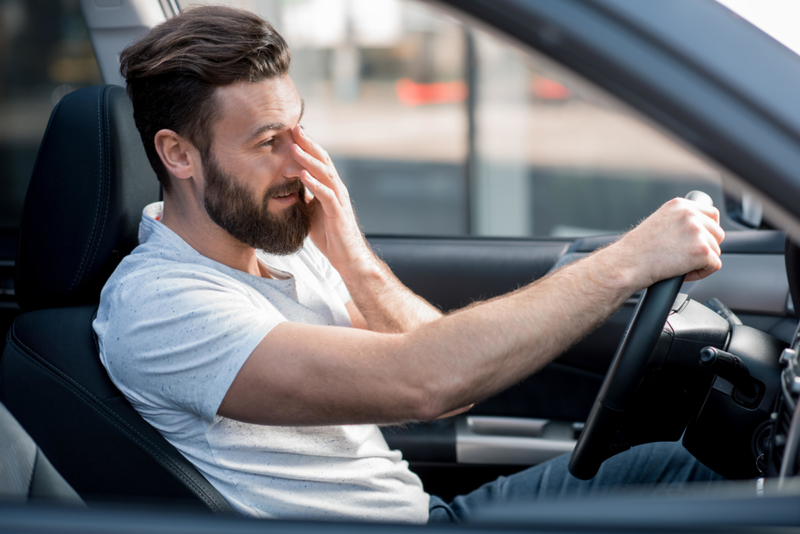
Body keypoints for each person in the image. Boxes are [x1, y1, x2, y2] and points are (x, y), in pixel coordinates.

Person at [93, 5, 726, 524]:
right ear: (178, 154)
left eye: (299, 130)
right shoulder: (161, 306)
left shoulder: (277, 251)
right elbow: (428, 382)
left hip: (432, 512)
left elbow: (439, 383)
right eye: (267, 142)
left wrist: (351, 255)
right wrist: (627, 262)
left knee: (714, 464)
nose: (302, 161)